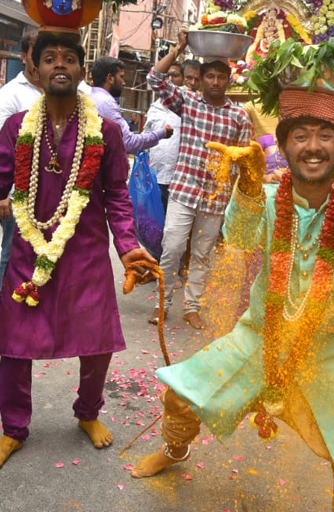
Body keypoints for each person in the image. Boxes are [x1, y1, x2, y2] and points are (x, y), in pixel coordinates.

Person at [130, 69, 334, 512]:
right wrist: (249, 188)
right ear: (288, 144)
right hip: (260, 338)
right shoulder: (270, 193)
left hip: (327, 355)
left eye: (325, 136)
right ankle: (175, 449)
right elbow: (240, 238)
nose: (313, 146)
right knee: (179, 392)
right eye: (301, 135)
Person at [0, 30, 154, 467]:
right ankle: (13, 428)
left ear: (80, 69)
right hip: (29, 252)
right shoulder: (17, 128)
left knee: (96, 344)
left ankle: (87, 413)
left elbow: (117, 194)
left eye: (69, 59)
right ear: (35, 69)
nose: (60, 65)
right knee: (16, 345)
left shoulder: (108, 131)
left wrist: (128, 247)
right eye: (50, 58)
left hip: (87, 253)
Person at [147, 32, 253, 329]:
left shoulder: (239, 117)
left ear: (229, 80)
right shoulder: (188, 102)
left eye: (221, 77)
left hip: (215, 197)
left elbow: (242, 161)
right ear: (202, 78)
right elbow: (155, 79)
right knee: (172, 249)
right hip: (184, 190)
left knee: (202, 255)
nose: (216, 82)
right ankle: (161, 304)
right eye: (211, 76)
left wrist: (238, 198)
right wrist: (179, 47)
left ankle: (192, 307)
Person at [0, 28, 43, 287]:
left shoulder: (56, 92)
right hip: (17, 194)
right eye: (37, 54)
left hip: (49, 194)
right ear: (24, 56)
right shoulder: (10, 95)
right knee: (13, 254)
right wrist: (1, 193)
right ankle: (6, 312)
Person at [90, 56, 170, 156]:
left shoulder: (91, 97)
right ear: (110, 78)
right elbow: (128, 142)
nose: (123, 83)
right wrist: (162, 133)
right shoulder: (106, 103)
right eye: (121, 77)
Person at [142, 63, 184, 211]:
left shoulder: (186, 108)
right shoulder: (154, 109)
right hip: (154, 177)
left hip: (178, 180)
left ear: (183, 79)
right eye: (167, 76)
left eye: (175, 75)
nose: (170, 79)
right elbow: (146, 138)